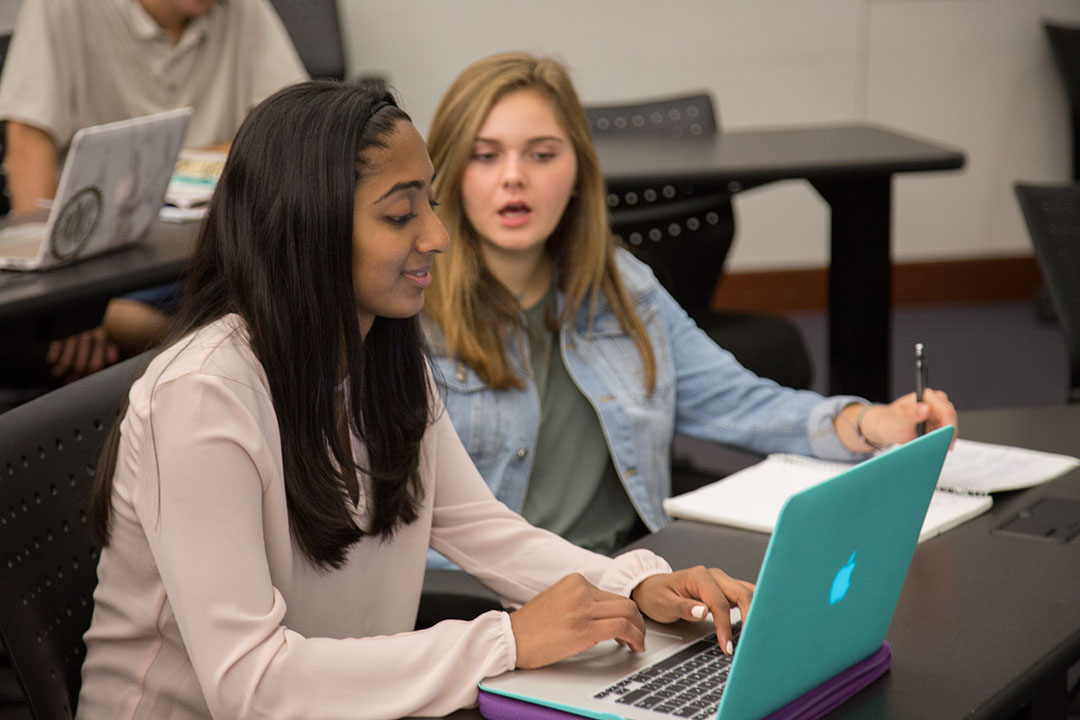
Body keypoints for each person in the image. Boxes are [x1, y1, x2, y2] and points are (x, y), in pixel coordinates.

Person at [76, 80, 756, 720]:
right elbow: (249, 683)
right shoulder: (202, 396)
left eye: (429, 202)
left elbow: (479, 527)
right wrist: (508, 639)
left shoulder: (381, 352)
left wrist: (631, 583)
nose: (437, 234)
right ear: (308, 230)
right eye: (400, 213)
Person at [422, 52, 958, 563]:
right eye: (485, 155)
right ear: (448, 170)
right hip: (486, 610)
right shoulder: (409, 314)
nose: (514, 176)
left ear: (580, 170)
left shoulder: (623, 289)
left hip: (624, 581)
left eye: (541, 154)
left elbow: (746, 406)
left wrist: (870, 422)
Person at [0, 0, 309, 384]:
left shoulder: (243, 10)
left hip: (212, 253)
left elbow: (293, 133)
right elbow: (28, 145)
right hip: (103, 261)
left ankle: (136, 325)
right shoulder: (61, 9)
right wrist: (67, 299)